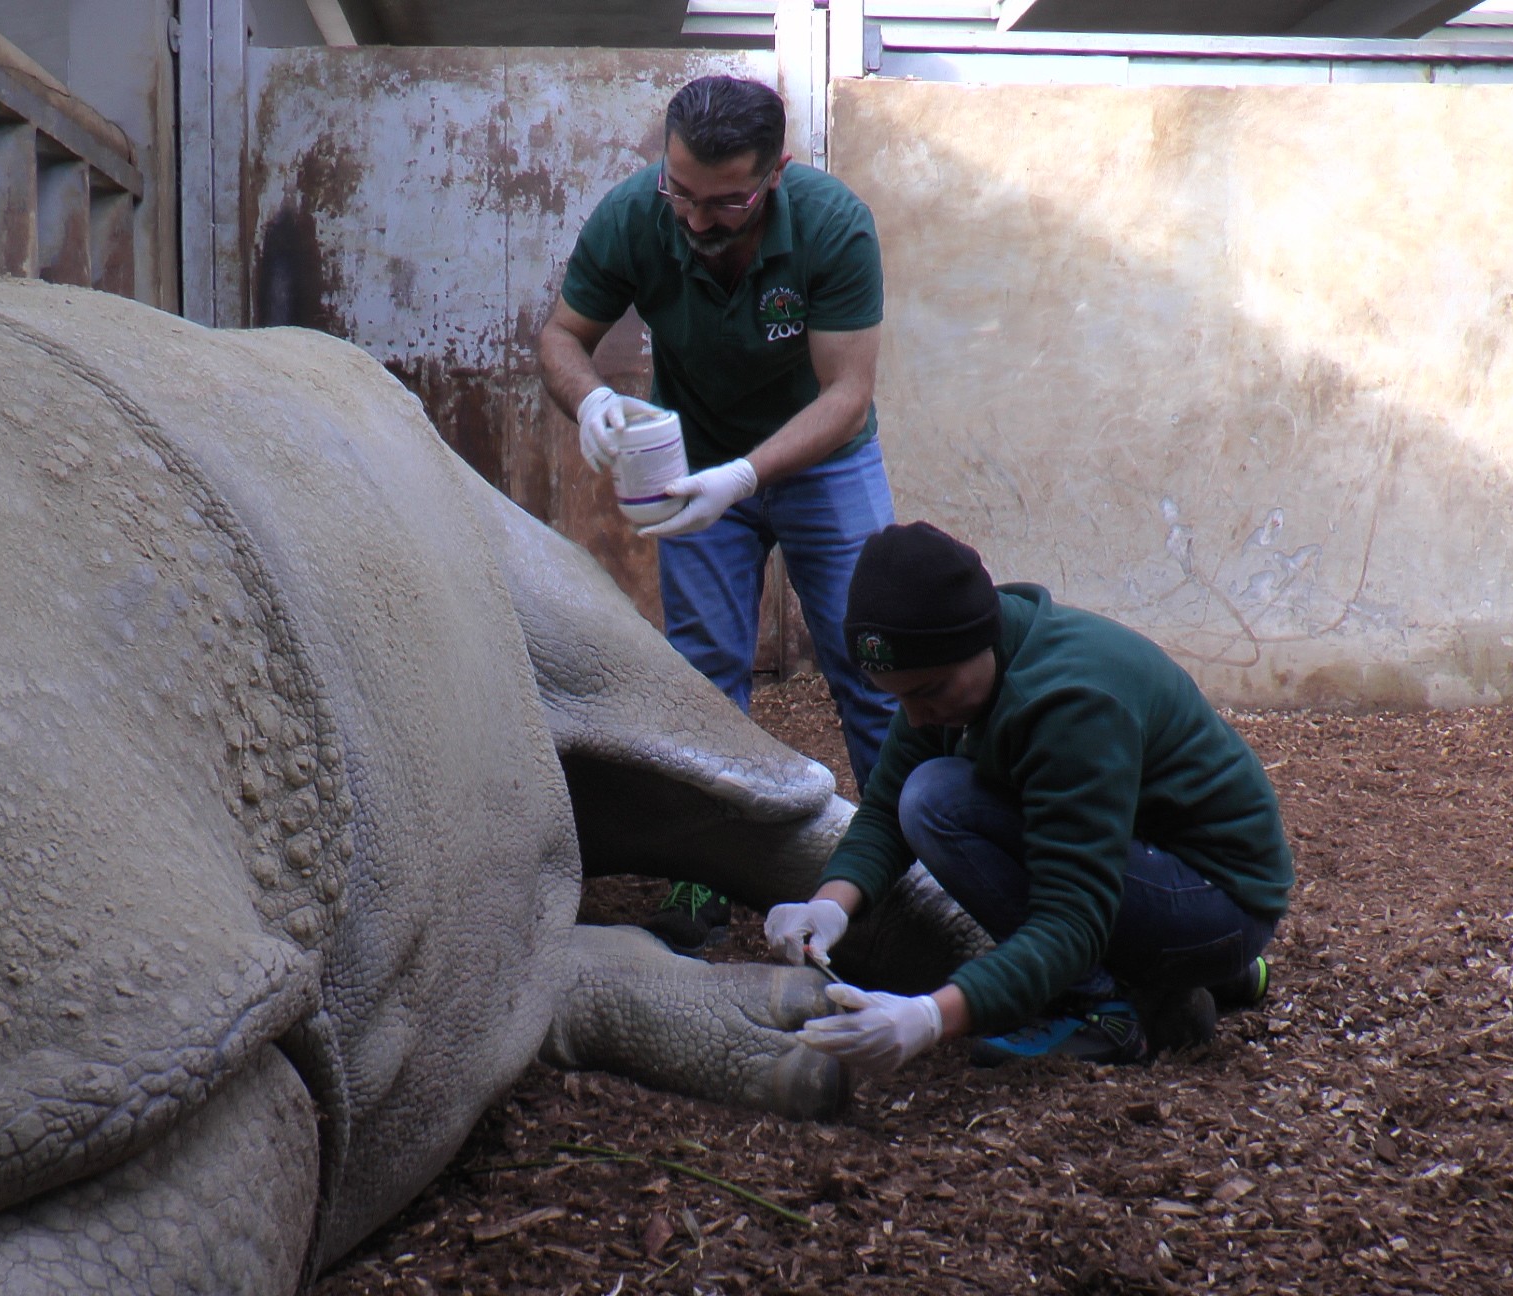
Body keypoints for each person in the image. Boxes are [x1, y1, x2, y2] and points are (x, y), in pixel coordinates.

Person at [539, 74, 898, 955]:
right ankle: (701, 879)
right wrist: (588, 404)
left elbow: (847, 396)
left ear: (775, 172)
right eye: (682, 193)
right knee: (703, 676)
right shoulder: (635, 214)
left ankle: (907, 874)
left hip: (823, 460)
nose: (696, 220)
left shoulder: (833, 225)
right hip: (692, 457)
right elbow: (561, 337)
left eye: (726, 201)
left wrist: (747, 475)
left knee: (877, 663)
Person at [764, 522, 1292, 1071]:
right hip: (1167, 868)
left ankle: (1105, 1009)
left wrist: (929, 1017)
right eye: (898, 698)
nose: (917, 718)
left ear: (977, 642)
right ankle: (1187, 975)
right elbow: (882, 809)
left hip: (1223, 901)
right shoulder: (973, 654)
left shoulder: (1072, 706)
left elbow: (1072, 918)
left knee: (937, 803)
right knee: (919, 795)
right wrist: (828, 906)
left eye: (929, 693)